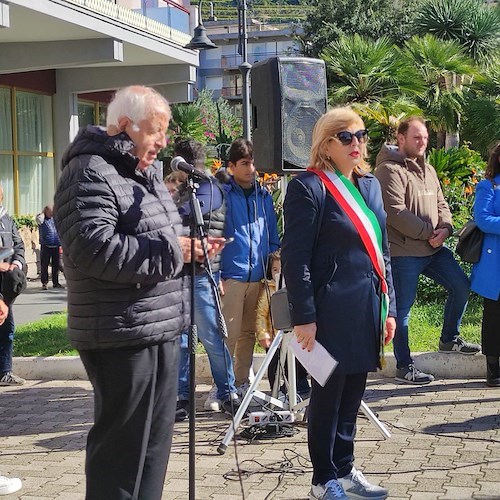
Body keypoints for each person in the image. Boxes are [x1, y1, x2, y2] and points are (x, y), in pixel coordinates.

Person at [53, 85, 224, 500]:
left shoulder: (140, 173)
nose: (164, 142)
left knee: (153, 449)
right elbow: (94, 248)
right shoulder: (89, 170)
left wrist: (192, 251)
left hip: (159, 326)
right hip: (119, 332)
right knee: (122, 455)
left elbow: (157, 238)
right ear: (125, 126)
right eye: (156, 131)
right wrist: (173, 251)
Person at [282, 107, 396, 500]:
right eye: (346, 137)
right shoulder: (308, 187)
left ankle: (346, 470)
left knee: (353, 394)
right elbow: (295, 258)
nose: (357, 143)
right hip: (328, 312)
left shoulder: (370, 187)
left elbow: (383, 253)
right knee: (327, 396)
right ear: (326, 144)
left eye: (361, 135)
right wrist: (305, 317)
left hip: (366, 306)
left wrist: (390, 308)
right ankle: (322, 478)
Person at [375, 116, 479, 385]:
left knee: (461, 286)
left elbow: (442, 203)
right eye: (416, 137)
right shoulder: (388, 170)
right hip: (404, 253)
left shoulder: (428, 169)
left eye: (424, 138)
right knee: (403, 311)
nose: (422, 142)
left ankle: (448, 338)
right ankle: (404, 366)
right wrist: (426, 233)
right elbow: (395, 213)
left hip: (434, 250)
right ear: (400, 138)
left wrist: (445, 228)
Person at [171, 138, 240, 421]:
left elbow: (186, 218)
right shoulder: (190, 191)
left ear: (183, 163)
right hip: (179, 275)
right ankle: (183, 396)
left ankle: (227, 392)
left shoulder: (208, 189)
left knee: (211, 337)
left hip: (202, 274)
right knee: (182, 340)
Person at [220, 138, 280, 394]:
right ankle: (221, 386)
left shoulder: (264, 196)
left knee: (248, 334)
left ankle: (241, 383)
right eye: (244, 163)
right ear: (231, 166)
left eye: (253, 162)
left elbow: (272, 234)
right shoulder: (221, 195)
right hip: (231, 276)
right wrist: (218, 273)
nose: (250, 168)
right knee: (229, 334)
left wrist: (273, 259)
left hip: (258, 277)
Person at [255, 249, 310, 396]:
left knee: (296, 364)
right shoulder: (268, 290)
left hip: (294, 338)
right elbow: (261, 314)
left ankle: (299, 386)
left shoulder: (296, 289)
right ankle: (276, 389)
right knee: (274, 365)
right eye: (275, 269)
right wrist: (263, 335)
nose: (278, 273)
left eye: (282, 269)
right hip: (274, 339)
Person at [471, 141, 500, 387]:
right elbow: (482, 219)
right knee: (494, 315)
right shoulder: (487, 186)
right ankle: (493, 367)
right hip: (495, 264)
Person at [0, 184, 26, 386]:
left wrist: (16, 263)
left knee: (7, 327)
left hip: (5, 284)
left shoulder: (7, 219)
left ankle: (4, 372)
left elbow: (19, 245)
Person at [36, 205, 63, 290]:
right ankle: (44, 283)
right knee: (44, 265)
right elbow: (38, 218)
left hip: (56, 245)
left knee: (56, 265)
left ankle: (56, 282)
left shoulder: (54, 219)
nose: (52, 213)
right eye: (50, 211)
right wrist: (43, 213)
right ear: (46, 211)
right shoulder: (42, 219)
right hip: (46, 245)